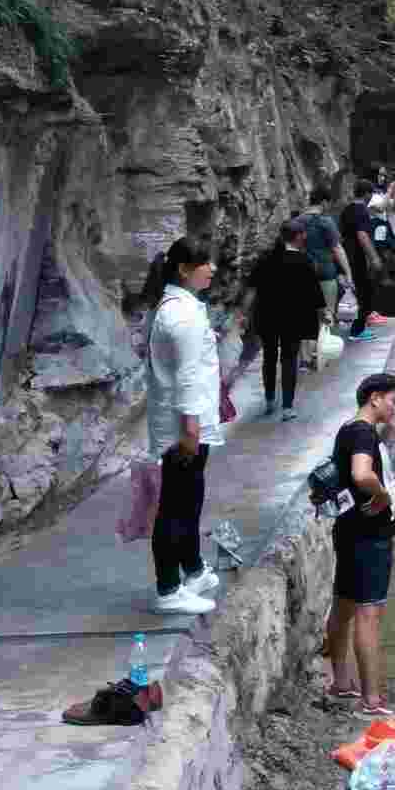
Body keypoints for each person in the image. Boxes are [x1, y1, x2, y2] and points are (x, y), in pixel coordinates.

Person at [144, 235, 223, 615]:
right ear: (184, 269)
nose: (213, 269)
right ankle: (168, 587)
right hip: (182, 428)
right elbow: (187, 375)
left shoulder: (182, 308)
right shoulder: (182, 315)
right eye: (206, 263)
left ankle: (191, 570)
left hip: (186, 422)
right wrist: (190, 429)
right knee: (174, 506)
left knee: (188, 500)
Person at [328, 372, 395, 715]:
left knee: (343, 606)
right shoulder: (362, 433)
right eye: (392, 400)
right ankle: (372, 700)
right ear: (375, 398)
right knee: (368, 614)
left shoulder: (348, 429)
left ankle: (341, 682)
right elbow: (361, 473)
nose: (394, 406)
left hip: (347, 530)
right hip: (369, 536)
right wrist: (383, 494)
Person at [245, 219, 325, 423]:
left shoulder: (265, 259)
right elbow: (315, 293)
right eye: (303, 234)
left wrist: (245, 314)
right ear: (298, 236)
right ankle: (288, 407)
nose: (305, 236)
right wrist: (323, 313)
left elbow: (252, 288)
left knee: (269, 356)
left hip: (267, 315)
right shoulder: (304, 261)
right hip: (293, 317)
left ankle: (270, 399)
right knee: (289, 358)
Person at [302, 185, 352, 340]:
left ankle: (308, 356)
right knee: (327, 314)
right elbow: (337, 248)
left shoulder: (296, 221)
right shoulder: (325, 222)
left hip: (302, 274)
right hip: (325, 273)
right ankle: (324, 352)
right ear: (324, 202)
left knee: (306, 315)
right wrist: (348, 273)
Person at [338, 181, 384, 340]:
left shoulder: (346, 210)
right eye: (370, 193)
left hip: (346, 255)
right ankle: (357, 330)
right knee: (365, 292)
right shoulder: (360, 210)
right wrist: (374, 257)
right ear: (367, 193)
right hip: (357, 256)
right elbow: (362, 235)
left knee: (356, 291)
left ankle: (353, 326)